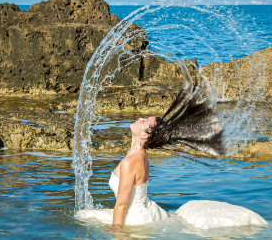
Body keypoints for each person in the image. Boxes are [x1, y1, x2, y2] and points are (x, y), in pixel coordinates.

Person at [76, 85, 225, 228]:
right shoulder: (139, 154)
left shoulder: (131, 161)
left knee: (83, 216)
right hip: (143, 212)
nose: (140, 119)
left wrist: (116, 234)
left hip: (137, 219)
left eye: (145, 121)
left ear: (145, 135)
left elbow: (121, 204)